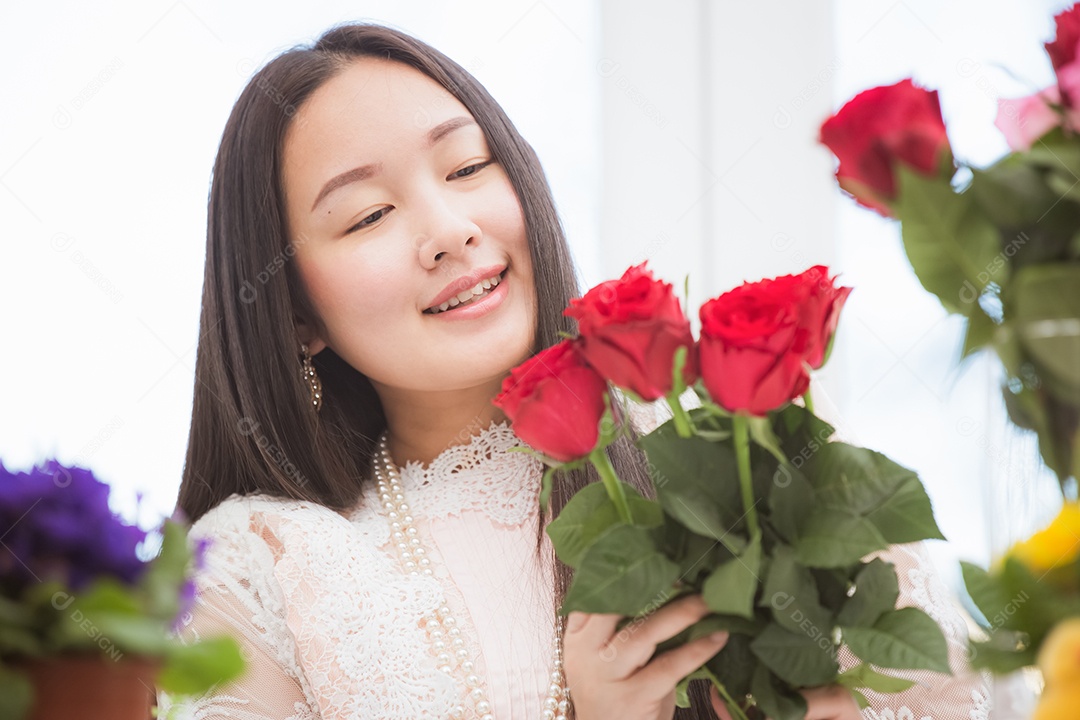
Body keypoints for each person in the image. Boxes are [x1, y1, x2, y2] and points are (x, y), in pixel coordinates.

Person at [158, 22, 991, 720]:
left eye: (466, 168)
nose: (449, 229)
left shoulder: (733, 440)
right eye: (369, 214)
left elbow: (962, 693)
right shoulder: (258, 564)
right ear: (296, 315)